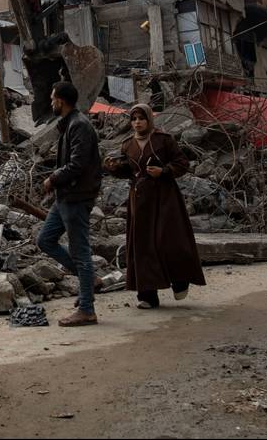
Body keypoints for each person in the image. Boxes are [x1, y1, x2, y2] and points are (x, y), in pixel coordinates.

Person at [103, 105, 206, 309]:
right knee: (142, 246)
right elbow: (128, 171)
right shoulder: (127, 144)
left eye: (141, 118)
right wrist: (114, 168)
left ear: (150, 119)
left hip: (165, 196)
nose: (137, 122)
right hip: (140, 200)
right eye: (134, 119)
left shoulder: (164, 140)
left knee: (168, 240)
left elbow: (182, 163)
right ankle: (148, 295)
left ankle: (180, 281)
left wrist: (164, 170)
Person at [37, 81, 102, 327]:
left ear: (61, 101)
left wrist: (53, 178)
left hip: (76, 197)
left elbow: (78, 164)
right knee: (45, 240)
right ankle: (89, 281)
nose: (51, 102)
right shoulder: (70, 124)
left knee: (81, 252)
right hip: (65, 197)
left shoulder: (79, 125)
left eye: (53, 98)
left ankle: (86, 309)